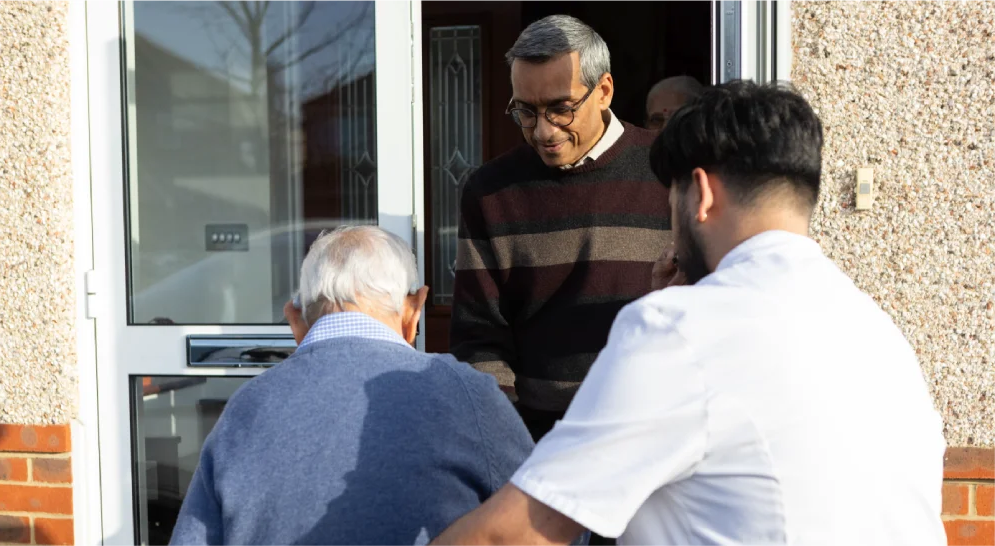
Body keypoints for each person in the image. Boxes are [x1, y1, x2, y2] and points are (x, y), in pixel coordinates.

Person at [430, 81, 947, 546]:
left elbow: (510, 537)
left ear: (699, 194)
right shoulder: (878, 333)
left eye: (670, 196)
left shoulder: (678, 330)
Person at [169, 226, 535, 546]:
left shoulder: (246, 406)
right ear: (415, 309)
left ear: (295, 319)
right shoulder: (467, 394)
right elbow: (551, 524)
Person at [450, 14, 671, 443]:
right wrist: (511, 441)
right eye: (525, 112)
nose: (543, 130)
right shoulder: (490, 192)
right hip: (537, 443)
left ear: (604, 91)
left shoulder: (669, 167)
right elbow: (478, 341)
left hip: (656, 437)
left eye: (560, 108)